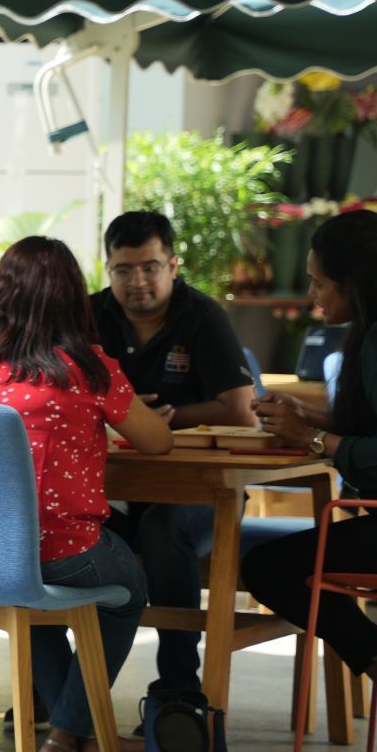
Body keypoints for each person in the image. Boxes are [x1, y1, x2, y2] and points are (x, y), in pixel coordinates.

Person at [0, 236, 172, 752]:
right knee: (128, 589)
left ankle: (80, 739)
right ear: (72, 298)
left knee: (36, 602)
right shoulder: (88, 368)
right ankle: (65, 736)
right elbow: (158, 442)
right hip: (60, 547)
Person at [243, 211, 377, 752]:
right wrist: (309, 418)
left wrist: (316, 440)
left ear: (356, 284)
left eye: (319, 282)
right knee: (285, 564)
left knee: (272, 568)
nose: (311, 295)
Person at [94, 211, 258, 697]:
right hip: (113, 491)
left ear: (173, 265)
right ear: (108, 271)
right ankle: (62, 692)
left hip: (201, 496)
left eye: (149, 267)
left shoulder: (202, 317)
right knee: (49, 527)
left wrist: (158, 418)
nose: (137, 281)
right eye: (123, 270)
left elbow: (241, 411)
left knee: (162, 529)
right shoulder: (89, 314)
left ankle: (179, 686)